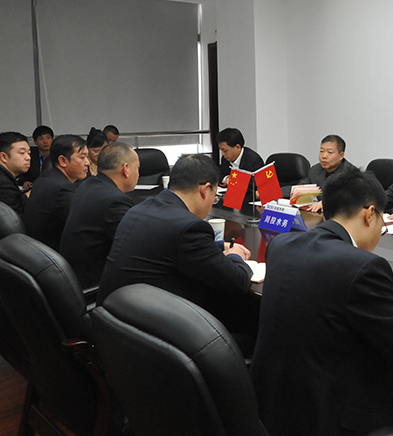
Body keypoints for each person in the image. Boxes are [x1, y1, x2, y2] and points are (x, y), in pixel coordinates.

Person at [251, 169, 393, 436]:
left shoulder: (281, 245)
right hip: (330, 419)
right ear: (370, 214)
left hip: (272, 409)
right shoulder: (364, 267)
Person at [98, 154, 253, 320]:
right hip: (153, 326)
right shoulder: (189, 227)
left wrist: (220, 246)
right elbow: (238, 282)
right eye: (214, 196)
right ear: (205, 190)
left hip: (114, 321)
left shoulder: (138, 210)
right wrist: (235, 255)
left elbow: (170, 246)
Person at [60, 142, 139, 288]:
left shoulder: (88, 185)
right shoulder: (114, 201)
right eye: (137, 168)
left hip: (75, 275)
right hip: (95, 285)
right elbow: (135, 247)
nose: (138, 173)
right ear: (126, 169)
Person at [23, 134, 89, 251]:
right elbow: (83, 225)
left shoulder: (45, 178)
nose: (87, 162)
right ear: (63, 161)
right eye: (82, 157)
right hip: (51, 253)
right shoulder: (62, 189)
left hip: (36, 248)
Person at [305, 134, 357, 213]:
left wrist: (327, 203)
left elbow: (352, 200)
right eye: (321, 151)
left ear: (341, 155)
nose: (324, 156)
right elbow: (301, 188)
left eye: (330, 152)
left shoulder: (351, 174)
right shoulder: (315, 169)